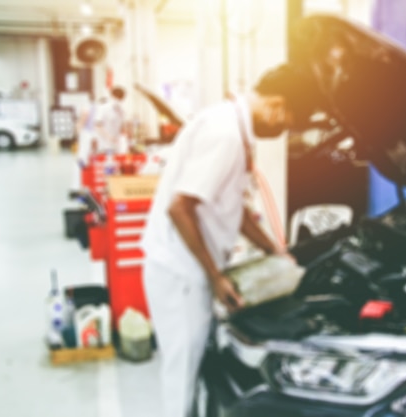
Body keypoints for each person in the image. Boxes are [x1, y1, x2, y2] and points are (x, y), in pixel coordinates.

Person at [140, 64, 319, 417]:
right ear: (276, 106)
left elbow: (232, 207)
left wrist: (274, 250)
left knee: (196, 368)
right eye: (286, 123)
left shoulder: (229, 124)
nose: (281, 130)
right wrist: (215, 276)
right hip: (181, 274)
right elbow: (180, 208)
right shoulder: (226, 135)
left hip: (187, 270)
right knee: (182, 375)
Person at [94, 86, 127, 154]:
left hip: (116, 145)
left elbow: (122, 128)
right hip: (104, 145)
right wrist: (109, 137)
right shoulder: (103, 108)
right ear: (111, 96)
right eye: (116, 98)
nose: (118, 100)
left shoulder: (122, 111)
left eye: (120, 98)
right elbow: (98, 126)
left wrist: (124, 138)